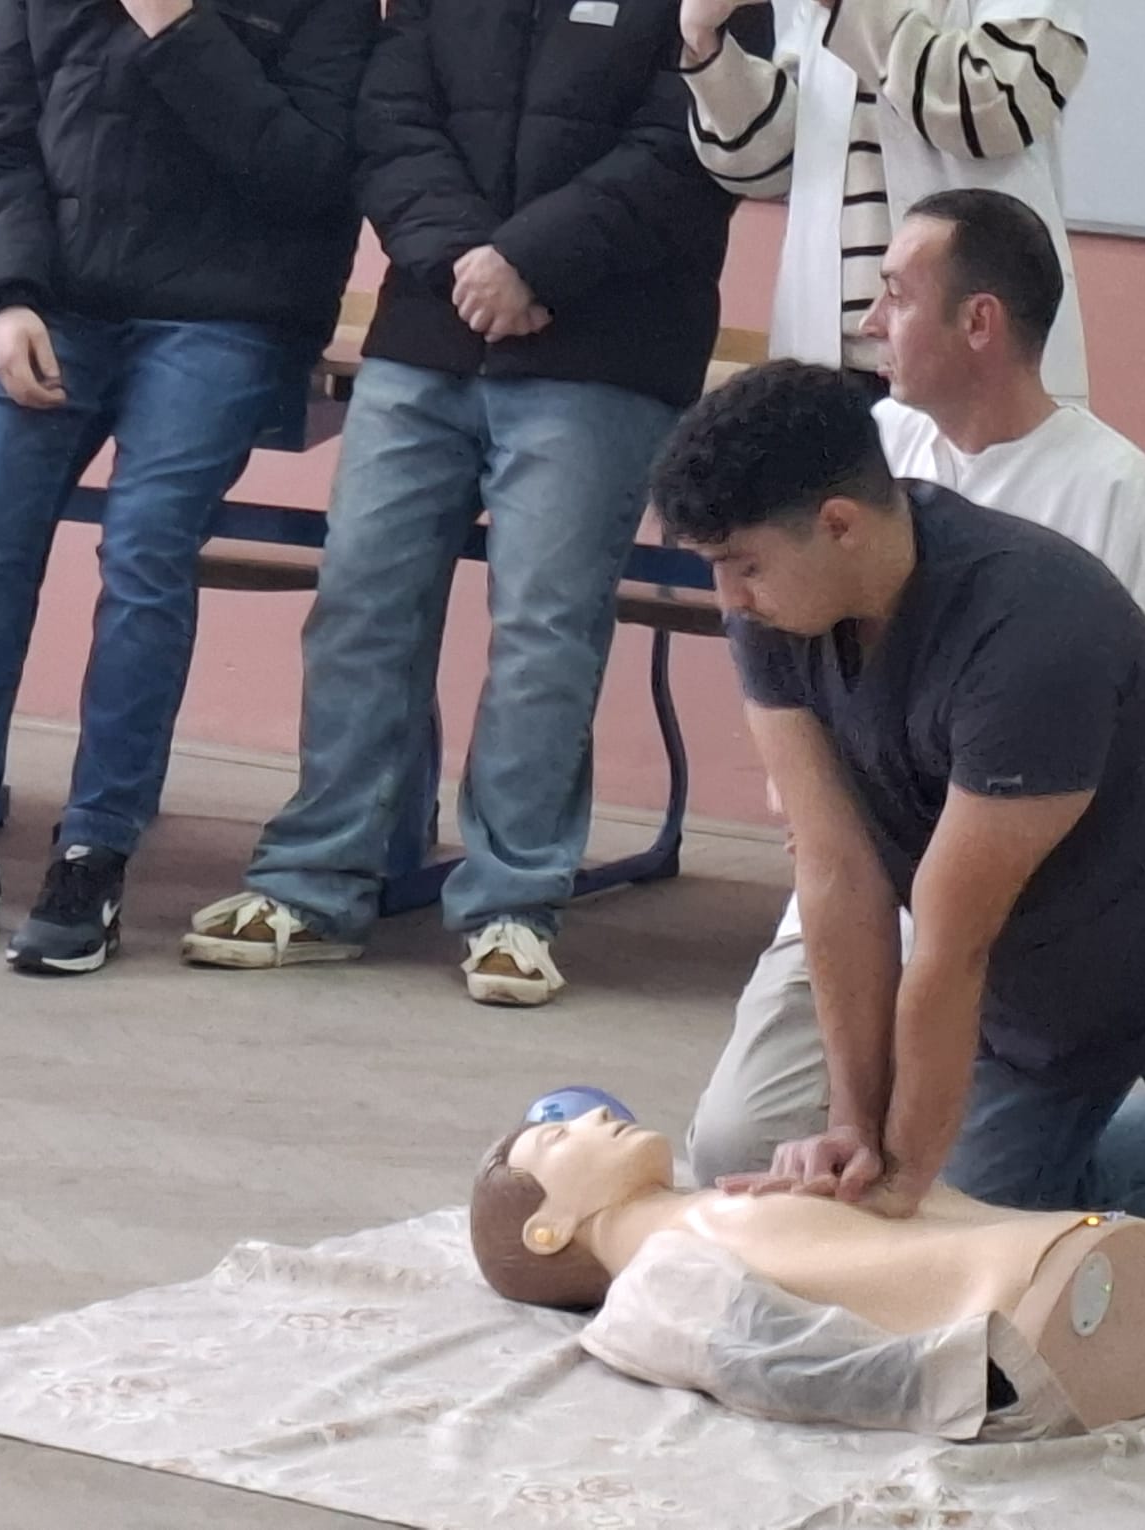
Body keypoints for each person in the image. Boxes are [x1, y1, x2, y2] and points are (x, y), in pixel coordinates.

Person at [648, 360, 1145, 1375]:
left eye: (741, 565)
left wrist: (899, 1177)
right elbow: (840, 875)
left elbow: (952, 934)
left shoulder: (1028, 621)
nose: (728, 597)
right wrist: (856, 1128)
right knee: (974, 1265)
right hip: (1043, 983)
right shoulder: (780, 611)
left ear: (839, 524)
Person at [180, 0, 739, 1008]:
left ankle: (512, 906)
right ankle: (313, 885)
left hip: (606, 349)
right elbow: (391, 115)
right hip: (428, 332)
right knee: (360, 604)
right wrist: (467, 264)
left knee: (544, 629)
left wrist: (532, 261)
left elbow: (691, 146)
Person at [0, 0, 376, 973]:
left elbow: (312, 173)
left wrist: (179, 28)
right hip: (53, 300)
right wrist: (4, 296)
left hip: (226, 315)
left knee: (146, 546)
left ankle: (94, 852)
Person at [687, 187, 1145, 1184]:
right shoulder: (857, 449)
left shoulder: (1113, 489)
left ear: (980, 322)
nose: (870, 321)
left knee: (951, 1179)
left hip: (1021, 915)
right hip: (862, 882)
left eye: (895, 294)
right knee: (736, 1148)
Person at [473, 1105, 1145, 1432]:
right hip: (1032, 1323)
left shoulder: (708, 1206)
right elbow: (782, 1367)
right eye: (560, 1138)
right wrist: (969, 1380)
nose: (596, 1118)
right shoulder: (652, 1287)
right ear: (547, 1231)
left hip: (1070, 1260)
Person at [676, 0, 1088, 401]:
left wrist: (850, 9)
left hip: (966, 365)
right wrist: (708, 48)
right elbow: (771, 163)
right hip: (830, 364)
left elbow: (996, 104)